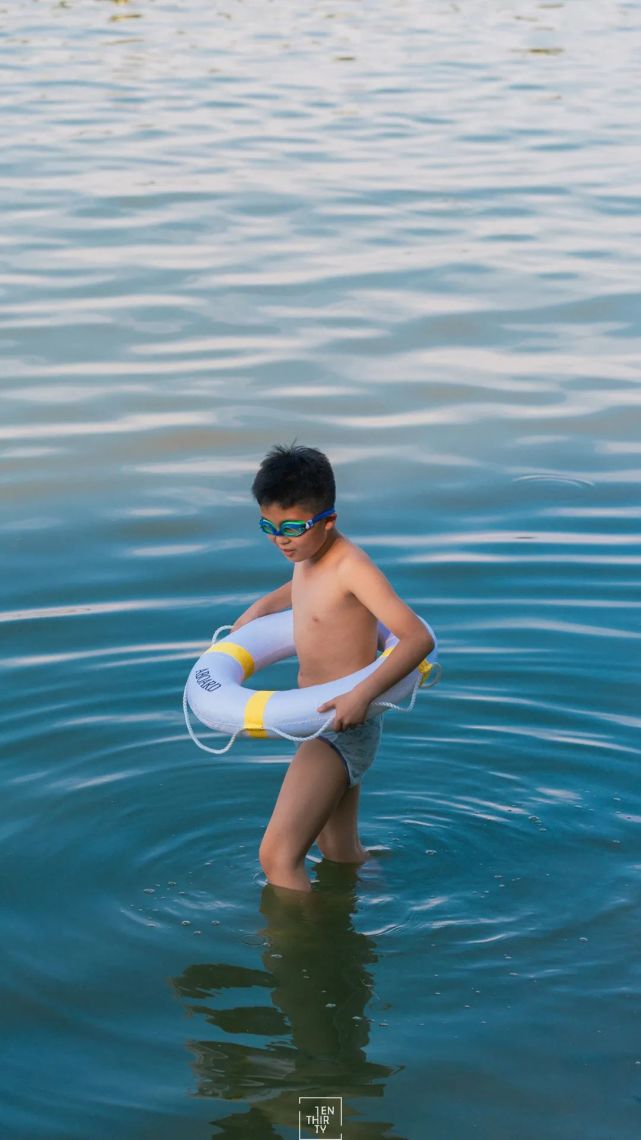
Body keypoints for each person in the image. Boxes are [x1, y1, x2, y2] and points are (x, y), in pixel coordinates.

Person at [230, 443, 434, 894]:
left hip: (340, 724)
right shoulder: (309, 557)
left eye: (292, 528)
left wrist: (361, 695)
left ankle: (303, 940)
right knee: (339, 850)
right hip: (322, 721)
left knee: (277, 857)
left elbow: (417, 638)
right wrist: (261, 607)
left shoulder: (352, 567)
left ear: (328, 520)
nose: (280, 540)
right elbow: (304, 588)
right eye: (269, 527)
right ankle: (389, 900)